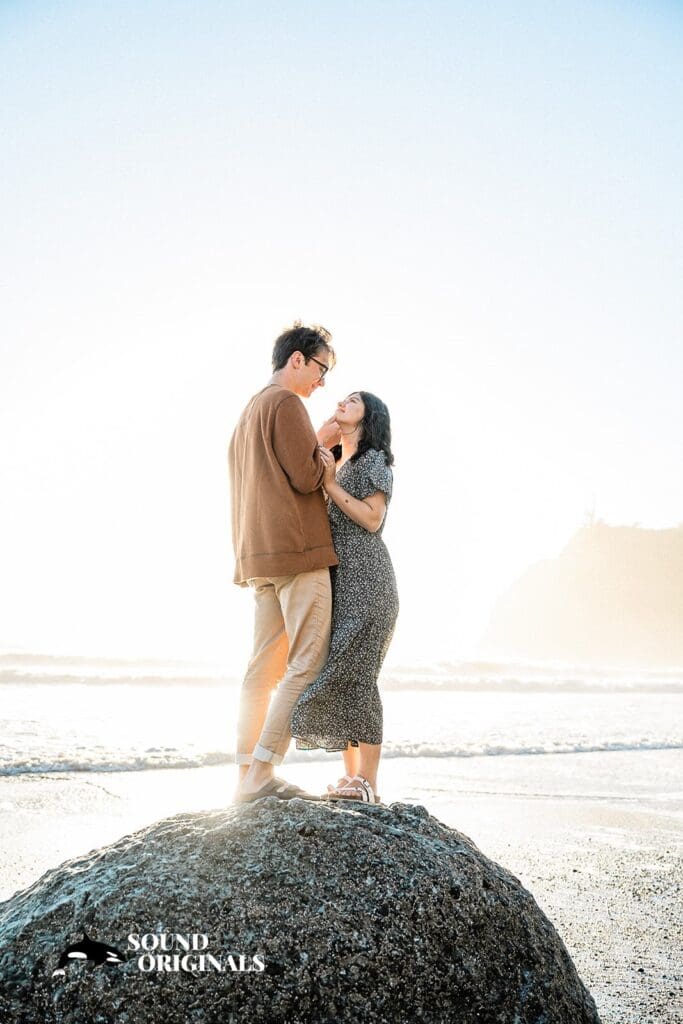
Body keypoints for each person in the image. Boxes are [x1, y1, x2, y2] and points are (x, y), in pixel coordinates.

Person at [228, 322, 341, 803]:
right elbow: (305, 474)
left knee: (262, 668)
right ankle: (262, 771)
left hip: (258, 554)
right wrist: (326, 453)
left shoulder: (249, 410)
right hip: (298, 550)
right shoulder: (287, 403)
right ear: (297, 359)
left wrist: (311, 439)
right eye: (321, 368)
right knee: (306, 662)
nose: (323, 382)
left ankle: (243, 775)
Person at [290, 391, 398, 804]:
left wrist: (331, 483)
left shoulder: (374, 460)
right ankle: (352, 779)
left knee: (360, 677)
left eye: (353, 400)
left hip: (370, 581)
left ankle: (368, 783)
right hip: (339, 582)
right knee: (341, 676)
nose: (342, 400)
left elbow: (372, 519)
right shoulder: (337, 459)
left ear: (369, 416)